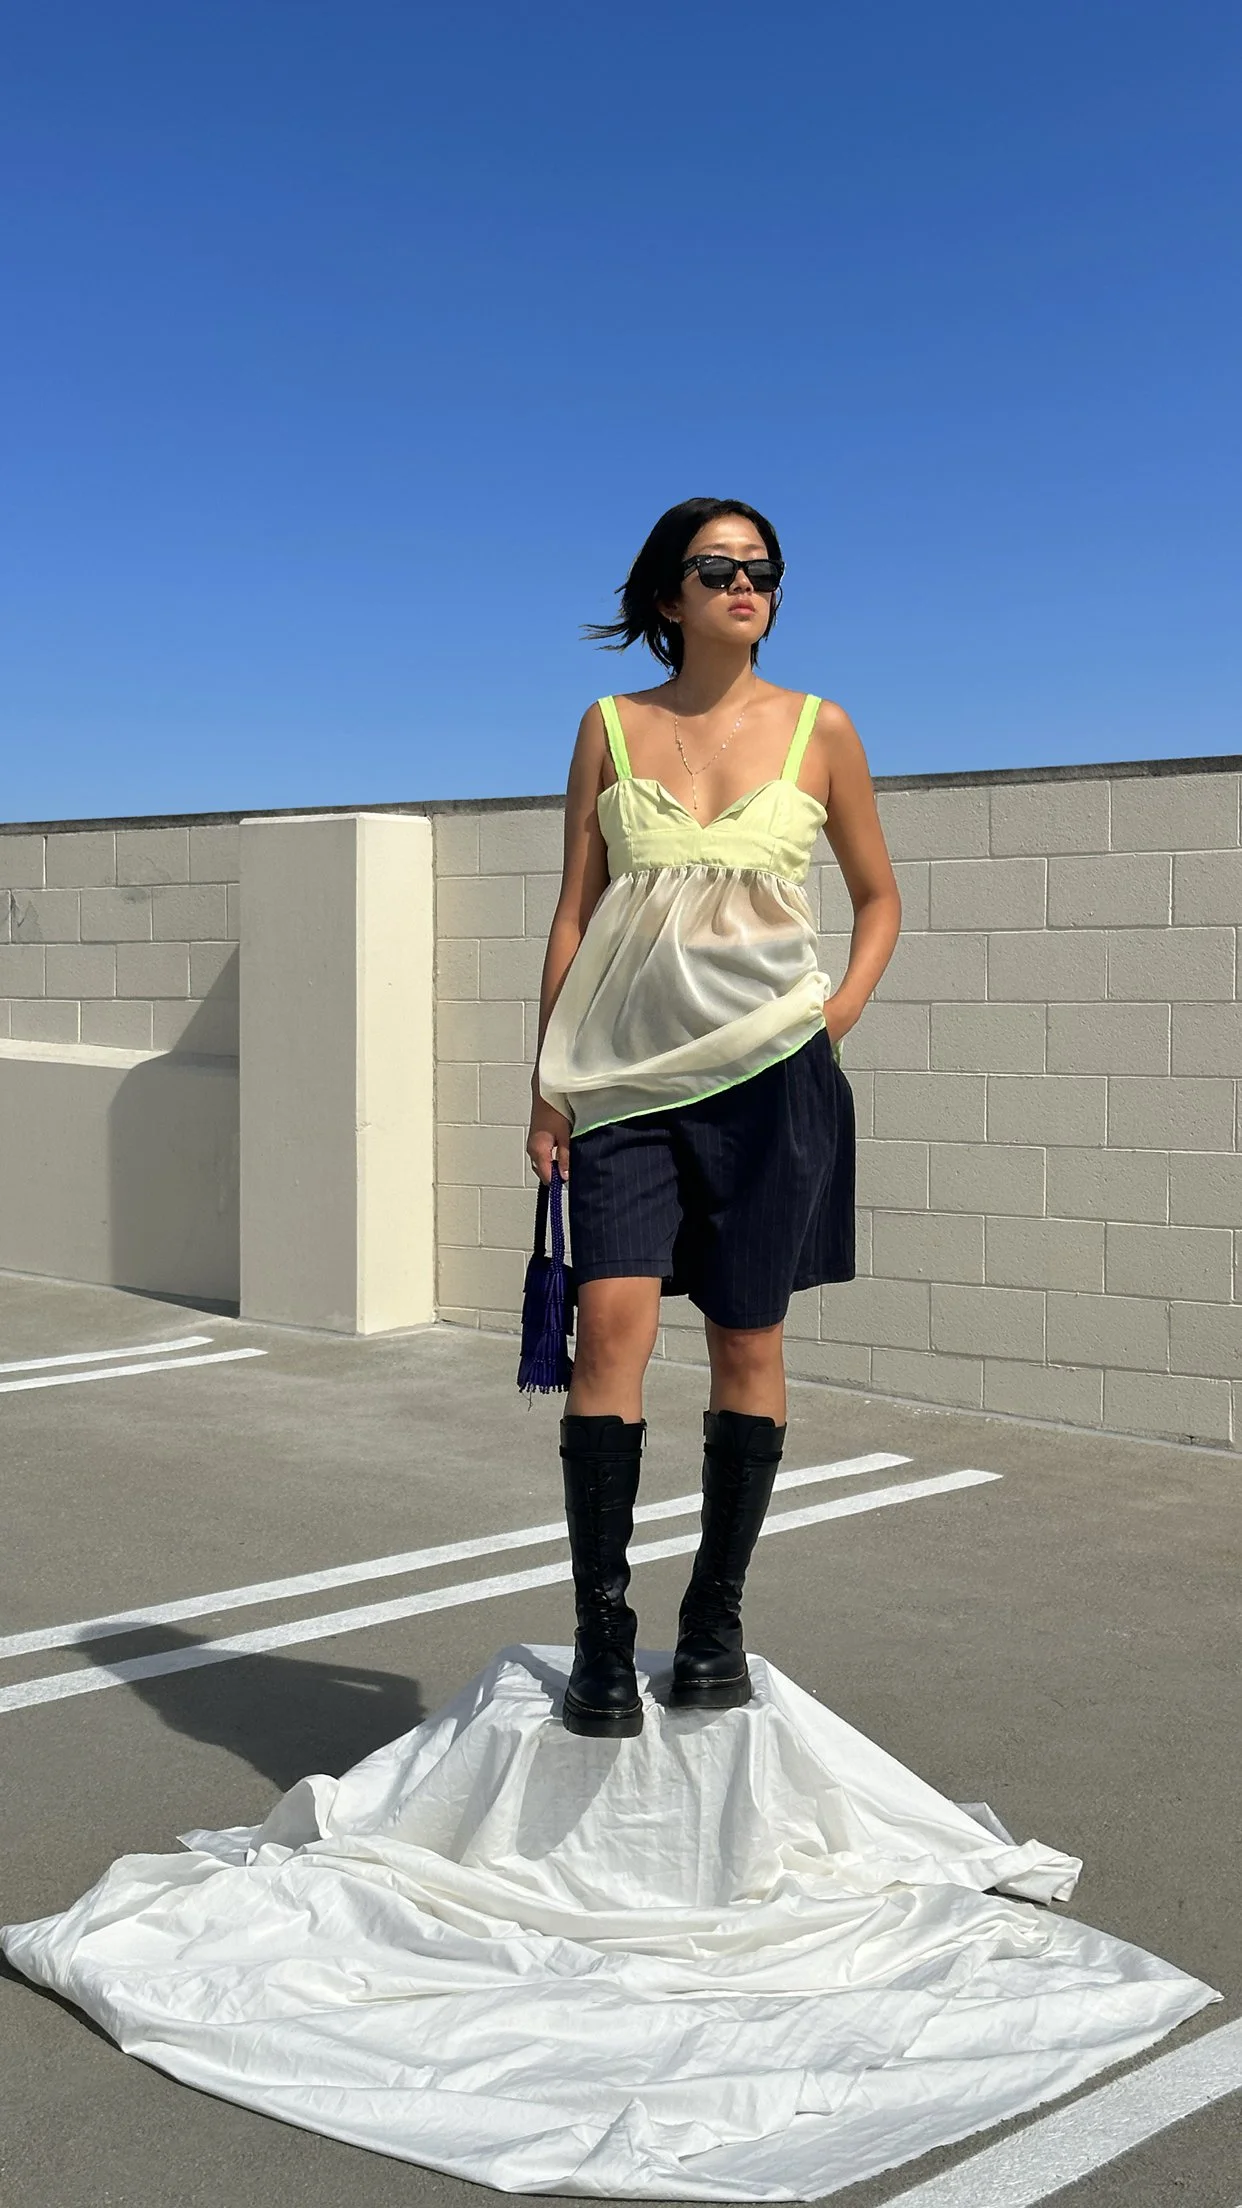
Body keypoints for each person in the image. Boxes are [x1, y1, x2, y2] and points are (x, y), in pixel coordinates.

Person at [526, 497, 902, 1738]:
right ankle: (600, 1637)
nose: (745, 585)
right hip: (624, 1087)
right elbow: (576, 915)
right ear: (667, 595)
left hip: (771, 1082)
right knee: (607, 1342)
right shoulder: (609, 731)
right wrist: (548, 1086)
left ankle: (714, 1625)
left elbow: (879, 898)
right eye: (716, 567)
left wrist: (831, 1016)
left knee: (749, 1346)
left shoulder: (820, 730)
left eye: (763, 570)